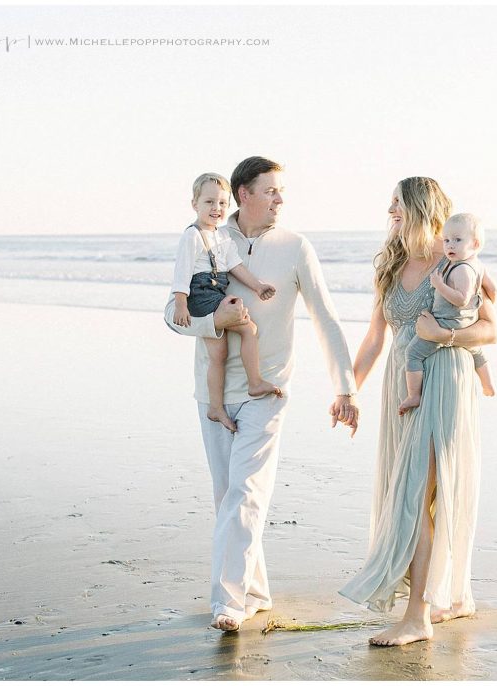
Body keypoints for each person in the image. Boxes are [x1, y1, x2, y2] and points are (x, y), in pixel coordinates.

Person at [164, 156, 359, 632]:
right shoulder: (208, 238)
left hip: (266, 388)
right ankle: (255, 590)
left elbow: (326, 317)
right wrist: (216, 322)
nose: (280, 199)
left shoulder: (295, 247)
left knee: (247, 494)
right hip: (211, 393)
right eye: (270, 190)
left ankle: (228, 603)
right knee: (228, 497)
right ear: (243, 193)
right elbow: (173, 313)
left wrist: (345, 388)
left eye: (281, 191)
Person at [338, 177, 497, 646]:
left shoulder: (456, 262)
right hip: (402, 385)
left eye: (396, 205)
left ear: (418, 208)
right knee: (411, 491)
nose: (389, 212)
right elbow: (374, 338)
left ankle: (418, 617)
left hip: (445, 381)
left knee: (417, 493)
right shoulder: (391, 267)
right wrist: (348, 391)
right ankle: (452, 596)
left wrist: (443, 336)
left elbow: (490, 331)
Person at [170, 173, 282, 433]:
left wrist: (257, 286)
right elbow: (182, 271)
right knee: (248, 329)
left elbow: (235, 266)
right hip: (201, 294)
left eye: (222, 203)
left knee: (218, 355)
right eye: (209, 202)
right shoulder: (193, 236)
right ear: (194, 204)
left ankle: (216, 407)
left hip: (215, 291)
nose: (216, 209)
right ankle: (253, 382)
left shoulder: (222, 237)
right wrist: (180, 303)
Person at [399, 212, 495, 415]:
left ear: (475, 244)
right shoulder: (478, 265)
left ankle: (413, 395)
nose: (450, 245)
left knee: (413, 353)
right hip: (467, 322)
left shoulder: (462, 270)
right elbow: (493, 288)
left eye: (458, 240)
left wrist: (439, 285)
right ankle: (487, 385)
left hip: (445, 323)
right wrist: (489, 301)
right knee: (476, 350)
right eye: (447, 240)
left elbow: (461, 298)